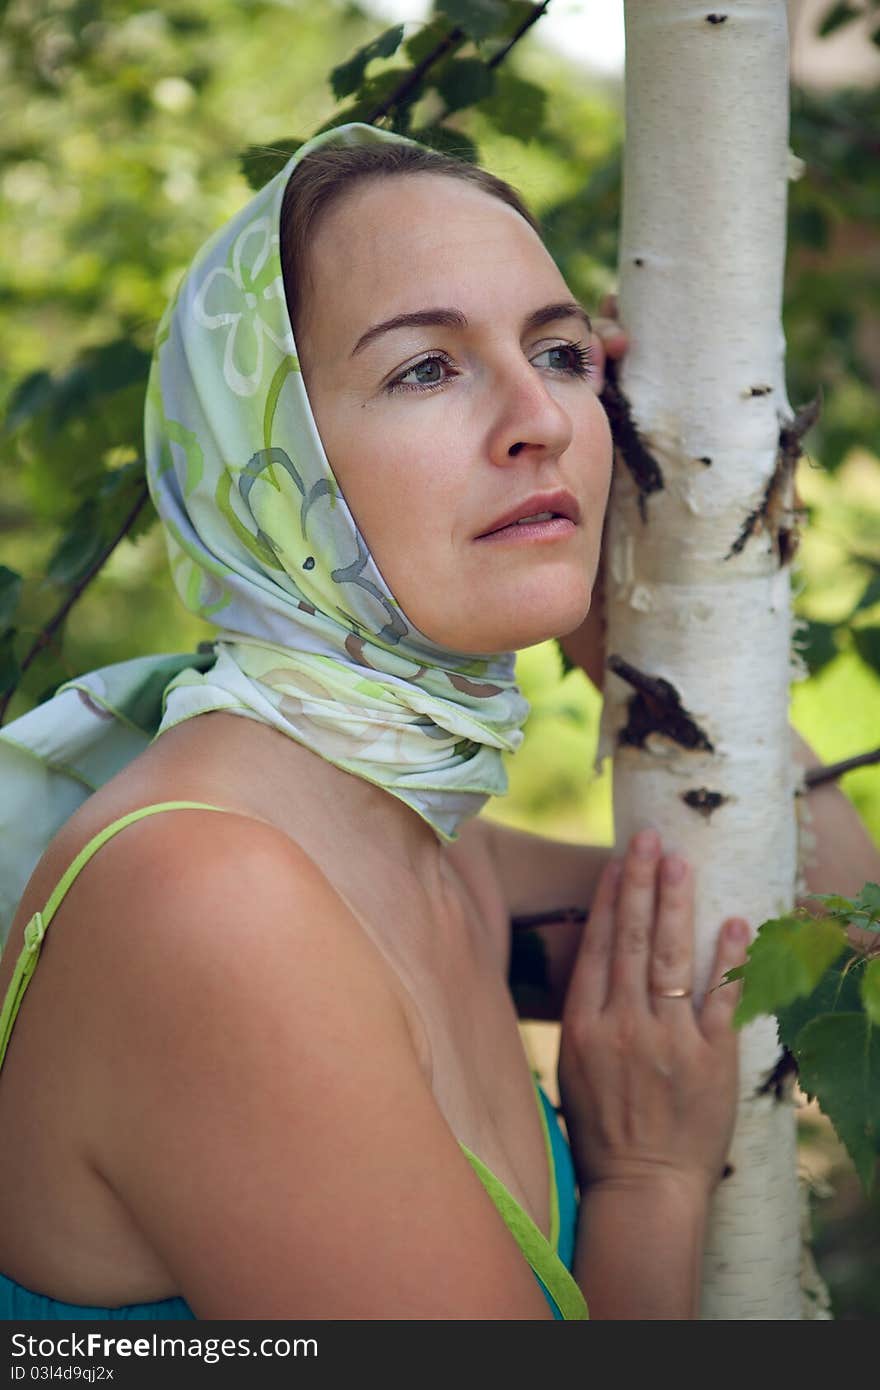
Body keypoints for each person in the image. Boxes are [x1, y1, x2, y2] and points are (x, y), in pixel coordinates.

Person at [0, 123, 876, 1322]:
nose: (545, 421)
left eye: (563, 355)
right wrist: (646, 1185)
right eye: (426, 368)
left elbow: (821, 925)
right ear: (263, 466)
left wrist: (643, 636)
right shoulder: (207, 893)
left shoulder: (423, 843)